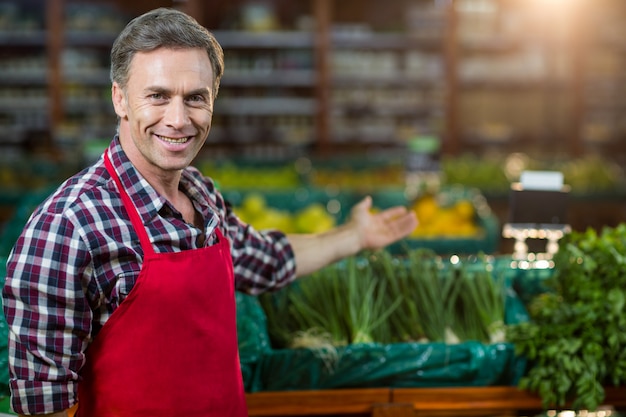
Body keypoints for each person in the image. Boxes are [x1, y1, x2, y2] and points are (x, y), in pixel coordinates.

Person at [2, 7, 418, 417]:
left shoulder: (201, 194)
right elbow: (44, 406)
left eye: (195, 98)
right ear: (120, 98)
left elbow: (265, 260)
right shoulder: (68, 227)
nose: (178, 119)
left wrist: (357, 236)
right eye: (158, 96)